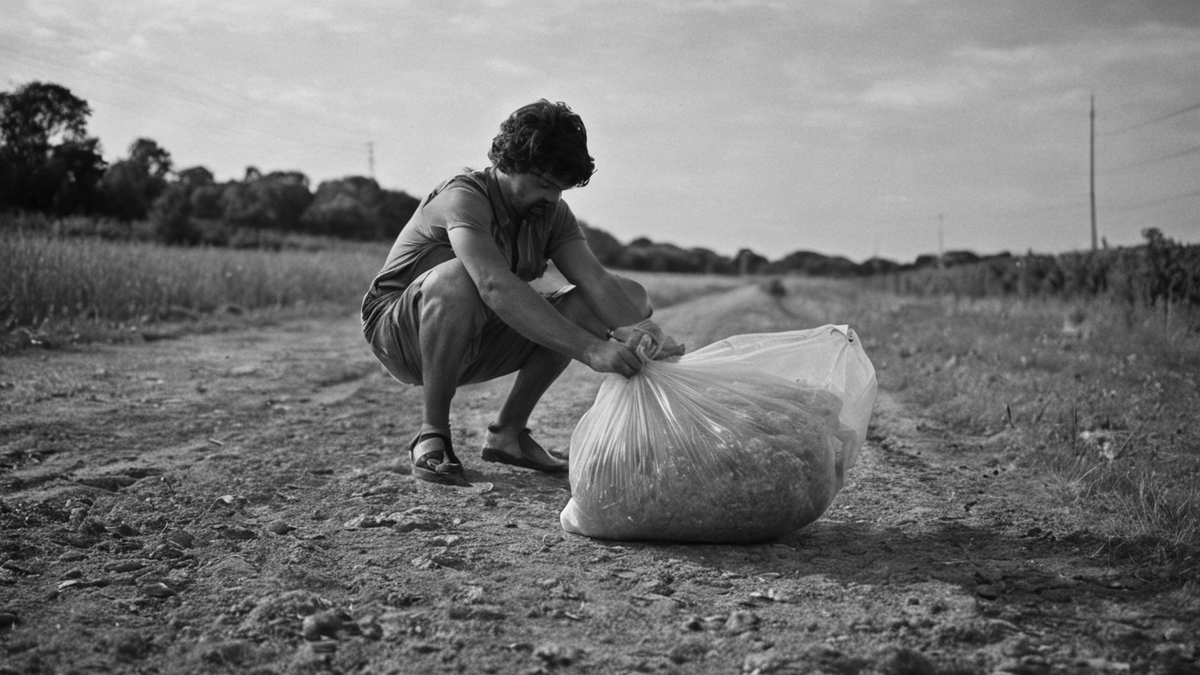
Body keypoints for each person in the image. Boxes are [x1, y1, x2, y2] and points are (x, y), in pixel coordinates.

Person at [361, 99, 682, 486]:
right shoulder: (464, 197)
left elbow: (596, 281)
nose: (553, 199)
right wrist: (592, 349)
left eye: (560, 189)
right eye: (545, 184)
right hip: (402, 335)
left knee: (613, 299)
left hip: (479, 337)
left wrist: (641, 331)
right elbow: (492, 284)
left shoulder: (549, 214)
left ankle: (507, 435)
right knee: (460, 279)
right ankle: (432, 435)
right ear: (509, 163)